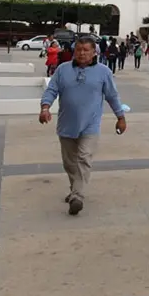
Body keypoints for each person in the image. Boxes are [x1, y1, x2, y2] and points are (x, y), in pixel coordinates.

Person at [39, 36, 127, 216]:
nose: (82, 53)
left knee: (84, 159)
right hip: (66, 124)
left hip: (90, 125)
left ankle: (77, 197)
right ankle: (74, 190)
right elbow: (51, 90)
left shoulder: (103, 72)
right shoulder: (63, 70)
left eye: (86, 50)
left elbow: (112, 96)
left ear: (94, 52)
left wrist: (121, 117)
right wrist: (45, 107)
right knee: (70, 163)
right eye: (79, 49)